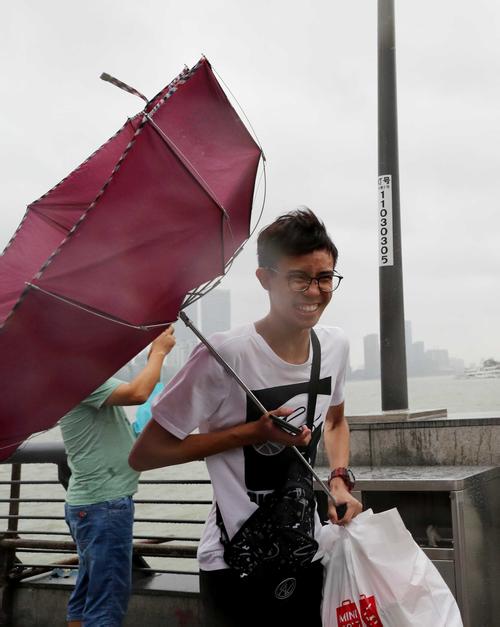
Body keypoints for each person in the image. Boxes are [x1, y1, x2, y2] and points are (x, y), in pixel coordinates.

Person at [129, 208, 362, 626]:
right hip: (234, 561)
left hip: (308, 550)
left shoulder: (335, 348)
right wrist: (250, 433)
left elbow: (336, 421)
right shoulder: (224, 354)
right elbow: (145, 454)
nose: (314, 291)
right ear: (265, 278)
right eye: (299, 278)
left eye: (324, 277)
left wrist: (340, 480)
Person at [60, 326, 175, 627]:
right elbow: (138, 393)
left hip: (89, 504)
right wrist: (159, 352)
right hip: (104, 505)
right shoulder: (79, 378)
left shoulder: (71, 378)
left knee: (87, 591)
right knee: (107, 601)